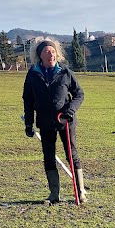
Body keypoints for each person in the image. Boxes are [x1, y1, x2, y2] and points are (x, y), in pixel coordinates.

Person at [22, 37, 87, 204]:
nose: (50, 54)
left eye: (52, 51)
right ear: (39, 55)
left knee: (71, 154)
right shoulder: (33, 74)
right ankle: (54, 194)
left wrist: (70, 111)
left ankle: (80, 192)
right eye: (46, 51)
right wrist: (28, 123)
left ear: (57, 54)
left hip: (65, 121)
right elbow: (28, 99)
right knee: (49, 157)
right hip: (44, 122)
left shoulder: (65, 72)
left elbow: (79, 94)